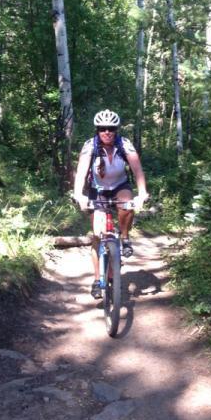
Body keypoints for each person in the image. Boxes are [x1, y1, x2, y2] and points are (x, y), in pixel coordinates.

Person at [74, 109, 149, 299]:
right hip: (97, 190)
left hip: (119, 186)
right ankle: (97, 280)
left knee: (127, 205)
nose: (107, 131)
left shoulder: (125, 145)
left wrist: (141, 193)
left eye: (111, 128)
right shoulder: (90, 146)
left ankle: (124, 237)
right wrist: (79, 195)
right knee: (97, 235)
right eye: (103, 128)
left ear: (116, 129)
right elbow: (81, 172)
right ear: (97, 130)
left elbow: (137, 170)